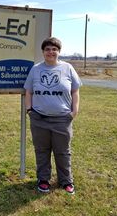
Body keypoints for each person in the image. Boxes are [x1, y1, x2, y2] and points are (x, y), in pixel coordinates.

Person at [23, 37, 82, 194]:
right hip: (39, 118)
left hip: (62, 119)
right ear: (43, 52)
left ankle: (66, 181)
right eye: (48, 49)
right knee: (42, 150)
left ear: (59, 52)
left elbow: (75, 90)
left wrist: (74, 111)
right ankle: (43, 179)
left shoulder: (67, 68)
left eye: (54, 49)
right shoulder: (36, 69)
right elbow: (28, 90)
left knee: (63, 151)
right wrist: (29, 110)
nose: (51, 52)